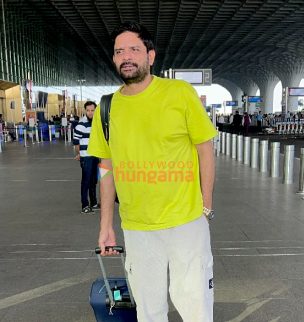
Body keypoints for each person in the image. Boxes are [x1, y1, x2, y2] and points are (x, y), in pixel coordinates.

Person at [88, 22, 217, 322]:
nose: (126, 56)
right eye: (120, 51)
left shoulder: (179, 93)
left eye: (134, 49)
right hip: (137, 227)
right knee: (148, 309)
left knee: (196, 304)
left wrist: (206, 205)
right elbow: (106, 168)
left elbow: (205, 148)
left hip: (186, 221)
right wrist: (106, 225)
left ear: (151, 56)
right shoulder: (107, 108)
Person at [73, 101, 100, 214]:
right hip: (86, 157)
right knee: (86, 181)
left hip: (95, 156)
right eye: (88, 110)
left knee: (93, 180)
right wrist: (80, 154)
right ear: (85, 111)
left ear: (95, 110)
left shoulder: (97, 123)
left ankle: (93, 203)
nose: (90, 113)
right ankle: (85, 205)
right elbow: (76, 142)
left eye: (92, 110)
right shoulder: (81, 124)